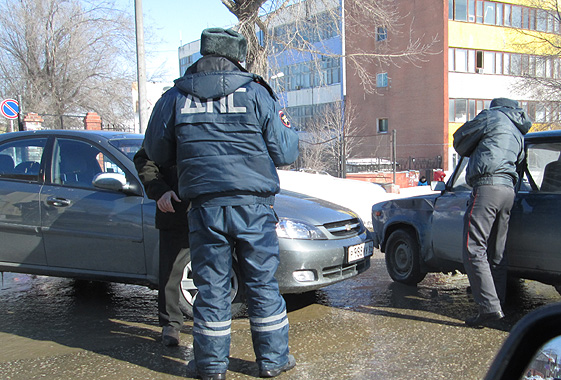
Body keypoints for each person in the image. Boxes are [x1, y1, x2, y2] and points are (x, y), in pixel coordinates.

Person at [143, 28, 299, 380]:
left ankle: (212, 366)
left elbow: (155, 151)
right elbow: (286, 152)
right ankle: (273, 360)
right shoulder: (257, 93)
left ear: (202, 57)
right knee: (261, 282)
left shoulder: (175, 98)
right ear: (236, 59)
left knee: (211, 286)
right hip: (253, 207)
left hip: (205, 207)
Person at [453, 97, 532, 327]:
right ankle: (498, 306)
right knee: (496, 252)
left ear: (496, 106)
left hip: (487, 187)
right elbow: (519, 162)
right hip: (508, 192)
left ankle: (489, 309)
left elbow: (459, 139)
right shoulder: (519, 131)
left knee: (473, 248)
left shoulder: (491, 117)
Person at [134, 147, 190, 346]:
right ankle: (170, 324)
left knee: (215, 271)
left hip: (211, 210)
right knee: (171, 272)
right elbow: (145, 159)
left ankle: (211, 323)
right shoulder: (169, 120)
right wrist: (160, 190)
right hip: (175, 209)